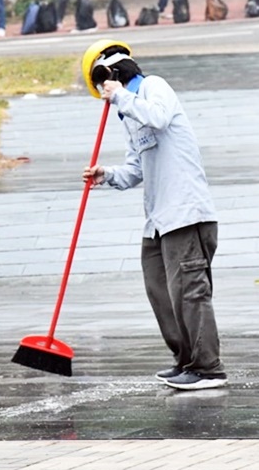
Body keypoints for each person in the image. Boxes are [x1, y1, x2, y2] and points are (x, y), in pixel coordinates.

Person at [80, 40, 226, 390]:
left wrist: (120, 97)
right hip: (159, 220)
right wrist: (108, 175)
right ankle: (185, 360)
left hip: (186, 213)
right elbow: (136, 167)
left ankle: (208, 368)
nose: (105, 95)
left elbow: (159, 117)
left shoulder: (153, 87)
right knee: (159, 290)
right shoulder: (129, 112)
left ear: (110, 76)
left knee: (190, 292)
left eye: (103, 86)